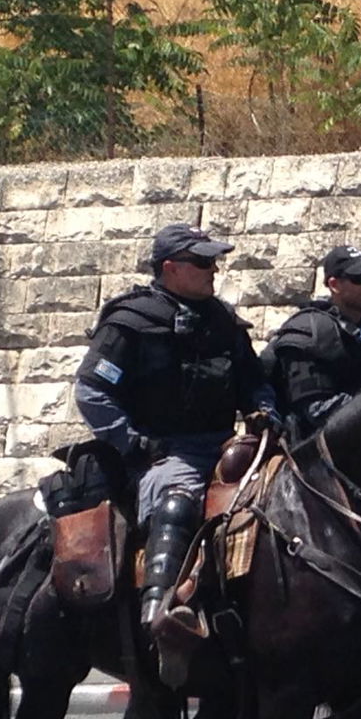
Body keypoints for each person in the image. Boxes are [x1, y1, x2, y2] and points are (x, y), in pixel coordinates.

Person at [73, 223, 279, 626]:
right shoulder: (131, 322)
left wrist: (265, 411)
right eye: (202, 262)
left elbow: (255, 383)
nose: (213, 270)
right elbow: (92, 391)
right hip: (163, 454)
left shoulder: (223, 323)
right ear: (170, 267)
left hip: (226, 448)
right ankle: (163, 610)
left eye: (214, 262)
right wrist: (135, 443)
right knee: (177, 497)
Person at [260, 244, 361, 439]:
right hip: (316, 451)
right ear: (334, 285)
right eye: (360, 278)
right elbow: (315, 410)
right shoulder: (309, 332)